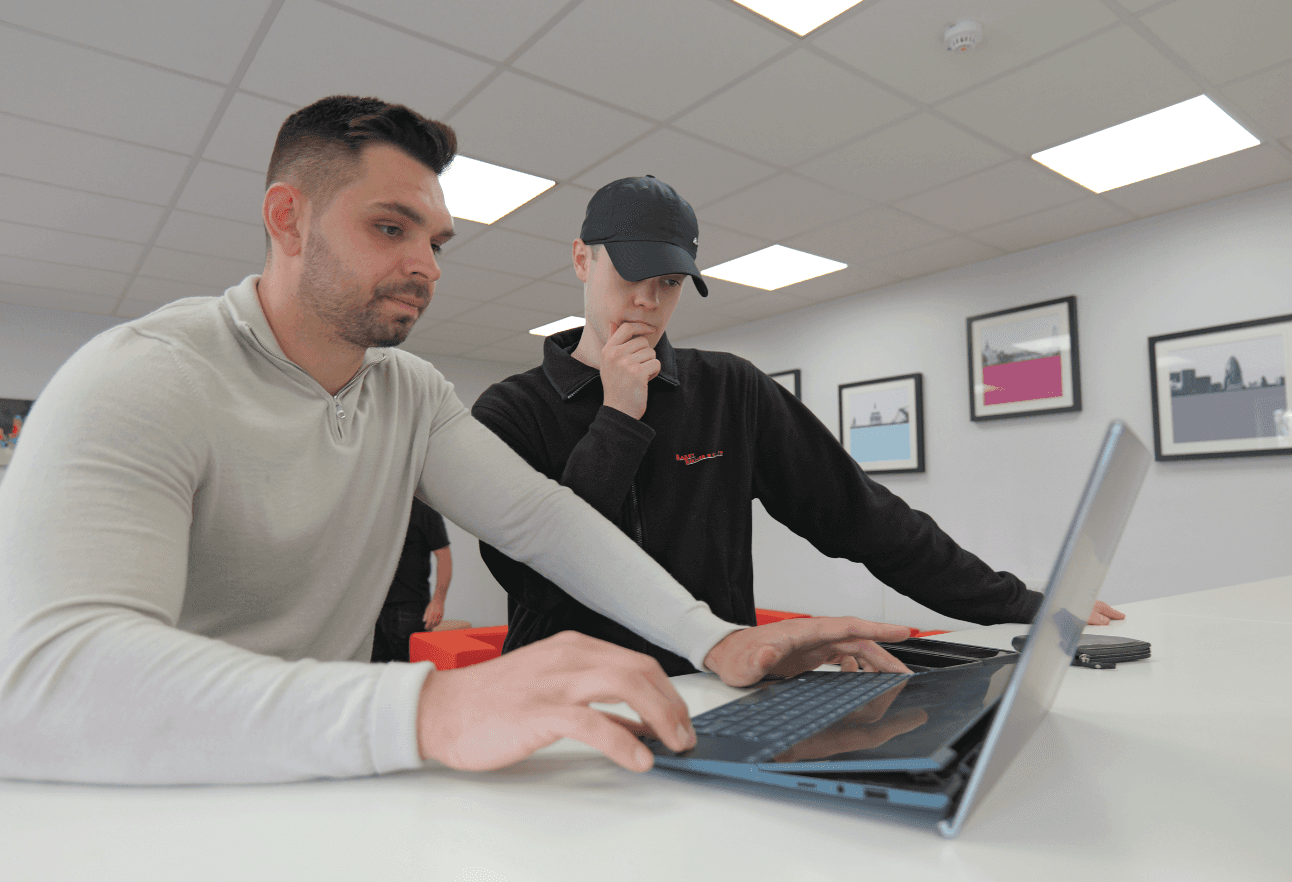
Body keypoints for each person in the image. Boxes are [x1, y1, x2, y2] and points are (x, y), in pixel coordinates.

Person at [0, 97, 918, 787]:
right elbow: (44, 683)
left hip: (319, 779)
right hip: (130, 797)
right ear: (287, 219)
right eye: (390, 228)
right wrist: (431, 706)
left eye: (436, 240)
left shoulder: (408, 392)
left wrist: (717, 640)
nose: (426, 266)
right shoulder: (139, 377)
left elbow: (543, 521)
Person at [472, 176, 1124, 676]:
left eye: (669, 281)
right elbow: (537, 578)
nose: (647, 300)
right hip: (564, 700)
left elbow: (863, 517)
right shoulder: (509, 411)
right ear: (583, 260)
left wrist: (1018, 603)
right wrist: (617, 418)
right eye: (632, 274)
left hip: (712, 688)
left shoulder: (731, 389)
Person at [371, 498, 454, 663]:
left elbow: (443, 556)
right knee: (377, 675)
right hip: (374, 609)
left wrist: (438, 601)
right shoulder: (375, 510)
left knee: (413, 675)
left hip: (409, 609)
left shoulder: (422, 509)